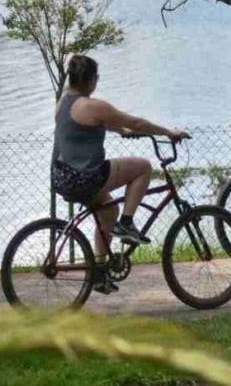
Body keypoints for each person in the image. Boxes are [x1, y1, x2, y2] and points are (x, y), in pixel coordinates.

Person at [51, 54, 188, 293]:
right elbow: (135, 122)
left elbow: (90, 125)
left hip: (62, 177)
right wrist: (168, 132)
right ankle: (126, 223)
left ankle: (99, 273)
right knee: (143, 167)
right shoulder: (93, 105)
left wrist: (119, 130)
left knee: (108, 212)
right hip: (86, 177)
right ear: (92, 80)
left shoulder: (62, 103)